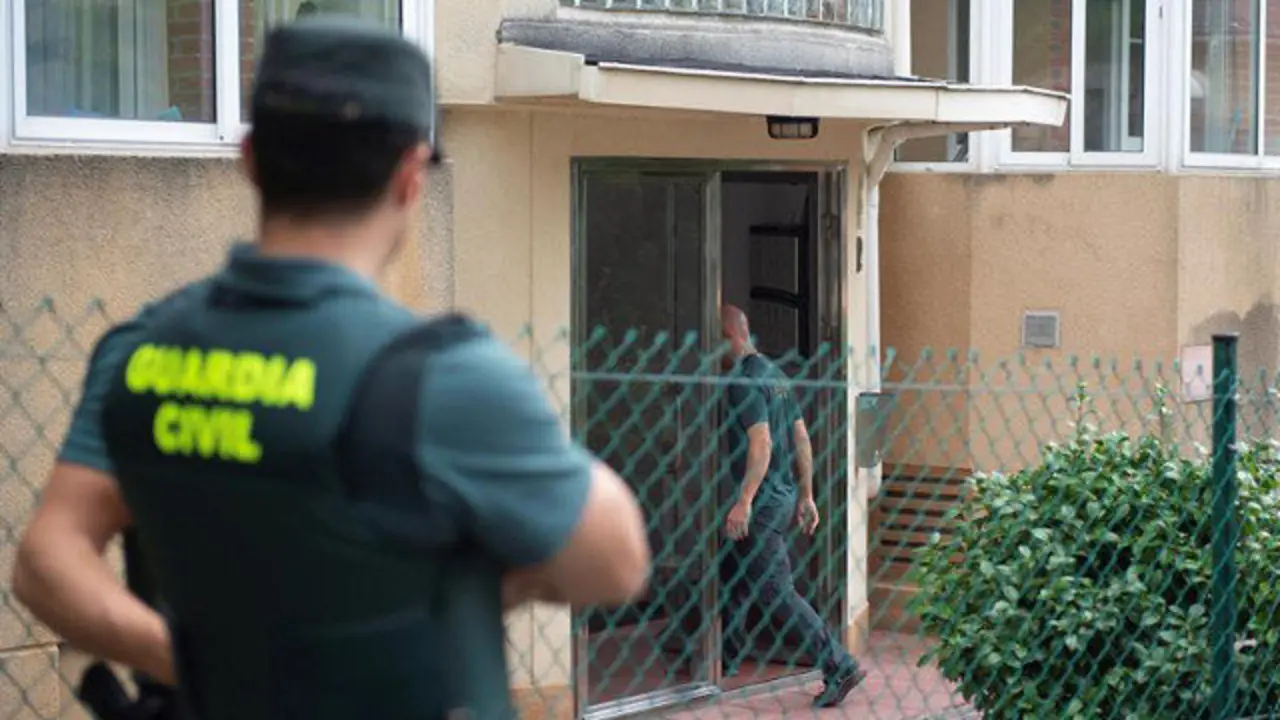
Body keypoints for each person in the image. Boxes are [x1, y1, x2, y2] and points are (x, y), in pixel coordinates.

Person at [12, 17, 650, 720]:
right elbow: (616, 559)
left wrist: (202, 662)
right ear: (410, 176)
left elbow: (47, 564)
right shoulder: (444, 381)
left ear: (251, 160)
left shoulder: (138, 353)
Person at [718, 304, 865, 708]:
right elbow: (802, 438)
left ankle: (839, 663)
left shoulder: (745, 382)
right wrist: (806, 494)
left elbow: (761, 442)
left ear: (729, 336)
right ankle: (723, 657)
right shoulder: (777, 376)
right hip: (782, 498)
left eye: (715, 341)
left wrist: (744, 501)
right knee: (731, 571)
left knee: (775, 590)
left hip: (763, 505)